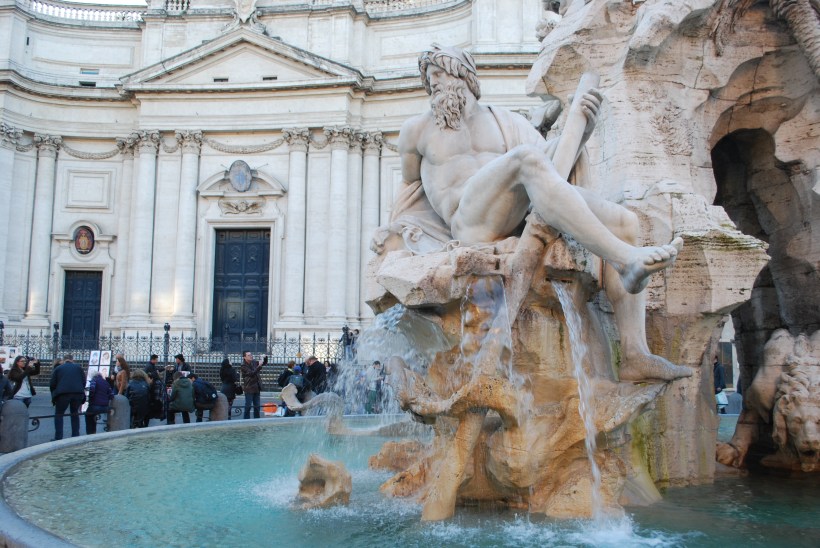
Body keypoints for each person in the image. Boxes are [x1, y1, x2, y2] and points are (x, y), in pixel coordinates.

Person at [380, 44, 690, 382]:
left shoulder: (506, 122)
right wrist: (401, 238)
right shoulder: (417, 131)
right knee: (525, 158)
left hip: (517, 211)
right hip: (469, 224)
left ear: (464, 76)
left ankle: (635, 354)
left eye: (439, 74)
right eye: (429, 78)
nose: (433, 83)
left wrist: (581, 130)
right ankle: (625, 259)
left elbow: (551, 167)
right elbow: (411, 192)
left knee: (625, 221)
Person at [49, 354, 86, 440]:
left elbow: (52, 384)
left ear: (63, 360)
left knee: (59, 414)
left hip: (63, 394)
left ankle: (58, 436)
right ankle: (75, 435)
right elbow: (83, 381)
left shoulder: (58, 368)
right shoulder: (79, 368)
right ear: (72, 360)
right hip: (77, 393)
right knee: (75, 413)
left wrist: (53, 396)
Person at [85, 368, 113, 435]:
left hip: (95, 405)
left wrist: (90, 401)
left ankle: (91, 433)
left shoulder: (94, 380)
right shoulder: (105, 382)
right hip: (105, 407)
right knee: (93, 415)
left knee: (88, 415)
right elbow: (111, 395)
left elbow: (92, 390)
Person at [241, 351, 265, 419]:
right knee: (248, 406)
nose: (251, 356)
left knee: (257, 406)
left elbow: (263, 363)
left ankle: (257, 419)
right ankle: (246, 420)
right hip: (249, 388)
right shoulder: (243, 366)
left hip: (257, 388)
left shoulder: (254, 362)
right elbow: (251, 373)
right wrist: (259, 366)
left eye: (251, 355)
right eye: (248, 355)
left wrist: (264, 358)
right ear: (244, 357)